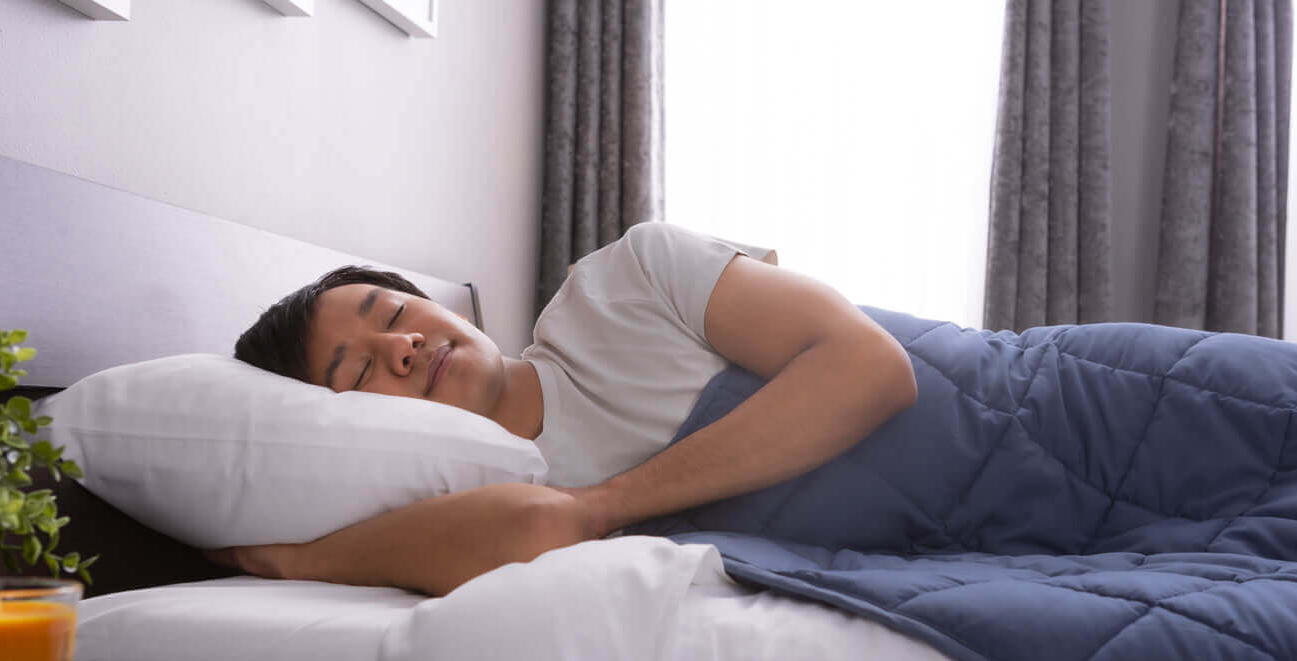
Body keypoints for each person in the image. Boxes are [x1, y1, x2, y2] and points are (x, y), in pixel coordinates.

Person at [210, 222, 917, 596]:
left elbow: (873, 368)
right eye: (361, 368)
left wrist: (606, 504)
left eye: (394, 310)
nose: (405, 344)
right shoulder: (478, 507)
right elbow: (536, 525)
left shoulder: (626, 279)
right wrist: (298, 561)